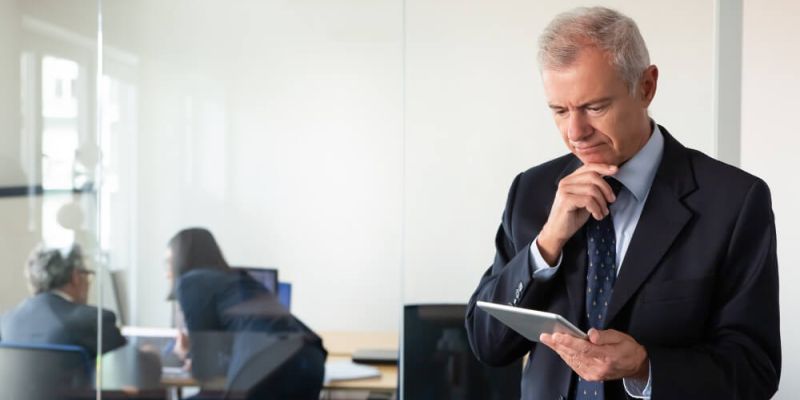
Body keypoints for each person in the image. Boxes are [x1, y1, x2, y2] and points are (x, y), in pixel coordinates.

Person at [465, 7, 780, 400]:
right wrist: (545, 246)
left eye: (595, 107)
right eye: (560, 111)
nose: (575, 132)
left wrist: (645, 366)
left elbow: (755, 370)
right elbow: (487, 344)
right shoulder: (531, 191)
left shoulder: (733, 201)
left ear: (646, 87)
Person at [166, 227, 326, 400]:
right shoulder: (237, 280)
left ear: (181, 260)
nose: (167, 272)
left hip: (269, 363)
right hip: (309, 359)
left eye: (169, 262)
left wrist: (187, 352)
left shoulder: (191, 281)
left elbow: (205, 371)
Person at [0, 244, 126, 358]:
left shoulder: (6, 322)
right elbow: (125, 368)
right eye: (87, 275)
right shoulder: (93, 320)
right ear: (76, 277)